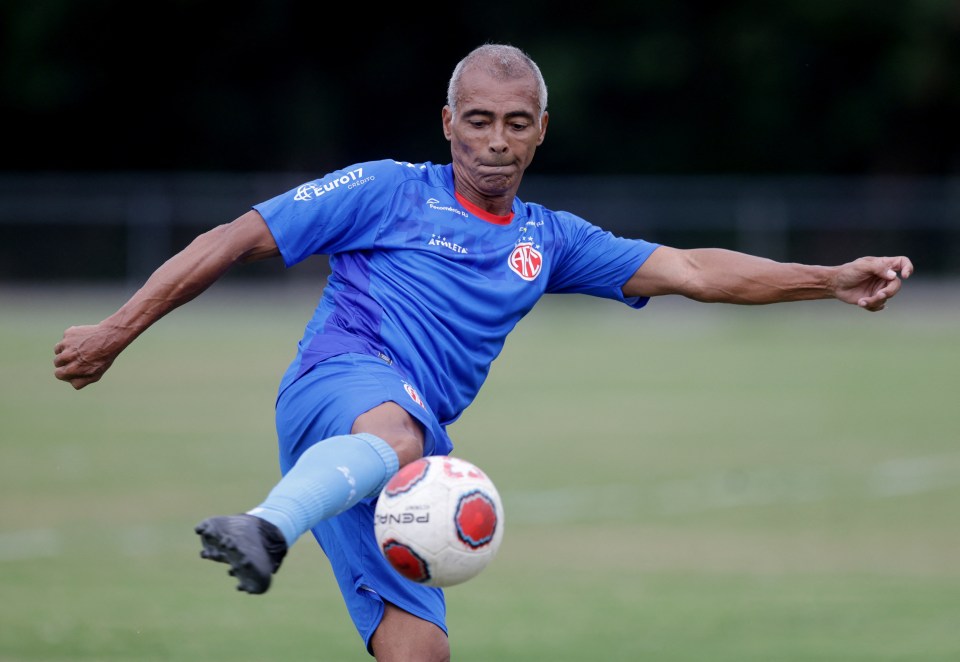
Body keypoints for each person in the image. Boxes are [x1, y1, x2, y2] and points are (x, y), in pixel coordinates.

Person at [53, 43, 913, 661]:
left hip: (383, 459)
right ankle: (267, 526)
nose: (494, 141)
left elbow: (691, 269)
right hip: (339, 386)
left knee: (420, 650)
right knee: (400, 435)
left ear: (542, 130)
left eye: (514, 124)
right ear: (447, 123)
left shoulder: (550, 239)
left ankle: (284, 519)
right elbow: (235, 237)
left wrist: (829, 279)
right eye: (477, 121)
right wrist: (116, 331)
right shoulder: (387, 190)